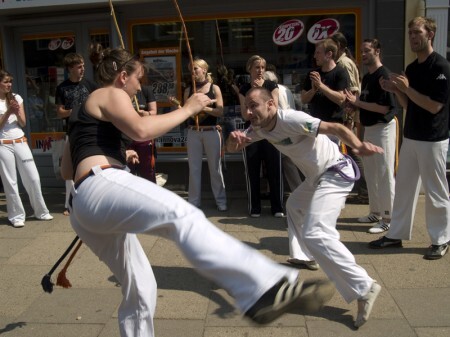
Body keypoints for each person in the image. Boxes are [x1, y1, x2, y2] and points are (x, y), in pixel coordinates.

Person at [60, 47, 334, 337]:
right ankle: (265, 287)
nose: (139, 87)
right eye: (138, 79)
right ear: (123, 76)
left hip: (84, 205)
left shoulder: (80, 112)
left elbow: (67, 170)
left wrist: (117, 151)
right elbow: (142, 130)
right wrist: (188, 108)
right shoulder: (111, 92)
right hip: (101, 186)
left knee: (141, 287)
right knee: (183, 214)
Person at [227, 87, 383, 328]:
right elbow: (231, 148)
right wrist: (232, 139)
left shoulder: (292, 119)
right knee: (294, 206)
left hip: (336, 172)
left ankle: (365, 287)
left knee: (316, 232)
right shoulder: (257, 128)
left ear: (270, 104)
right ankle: (306, 255)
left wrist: (358, 146)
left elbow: (337, 128)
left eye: (253, 105)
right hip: (316, 179)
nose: (248, 111)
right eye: (246, 107)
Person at [370, 17, 450, 260]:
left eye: (417, 32)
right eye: (410, 33)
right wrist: (396, 91)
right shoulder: (413, 68)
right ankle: (396, 234)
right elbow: (409, 104)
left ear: (430, 34)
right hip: (412, 136)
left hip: (433, 138)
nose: (413, 37)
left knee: (436, 191)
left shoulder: (442, 67)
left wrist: (406, 89)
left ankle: (441, 239)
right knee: (404, 188)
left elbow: (434, 106)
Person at [345, 38, 398, 234]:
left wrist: (357, 103)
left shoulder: (384, 75)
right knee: (371, 172)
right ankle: (375, 212)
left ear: (377, 51)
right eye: (361, 51)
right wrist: (353, 103)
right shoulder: (367, 77)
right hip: (370, 128)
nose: (363, 54)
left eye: (367, 50)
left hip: (383, 128)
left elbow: (384, 107)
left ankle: (389, 217)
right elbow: (366, 104)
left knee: (384, 173)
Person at [0, 70, 53, 228]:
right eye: (6, 81)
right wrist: (8, 111)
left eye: (10, 81)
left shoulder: (16, 97)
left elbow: (22, 123)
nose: (9, 84)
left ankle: (41, 211)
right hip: (3, 142)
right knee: (10, 181)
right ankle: (16, 216)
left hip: (19, 139)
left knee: (33, 177)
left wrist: (16, 111)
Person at [239, 55, 284, 217]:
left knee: (275, 168)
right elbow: (246, 114)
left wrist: (262, 91)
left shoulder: (272, 86)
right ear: (249, 69)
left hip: (271, 131)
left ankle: (277, 207)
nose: (260, 71)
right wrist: (254, 94)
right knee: (252, 169)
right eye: (257, 67)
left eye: (263, 67)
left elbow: (274, 110)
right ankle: (254, 207)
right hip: (252, 133)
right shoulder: (244, 89)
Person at [55, 52, 98, 216]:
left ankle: (90, 200)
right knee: (70, 168)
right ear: (70, 68)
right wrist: (74, 110)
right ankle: (69, 203)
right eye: (79, 66)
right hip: (72, 130)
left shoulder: (91, 84)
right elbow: (59, 112)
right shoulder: (62, 87)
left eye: (83, 66)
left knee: (89, 165)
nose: (82, 69)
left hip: (90, 130)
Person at [183, 58, 227, 211]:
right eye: (191, 69)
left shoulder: (214, 88)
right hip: (194, 132)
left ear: (203, 69)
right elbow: (185, 113)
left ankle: (221, 201)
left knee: (215, 167)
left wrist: (204, 108)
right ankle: (194, 202)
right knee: (194, 168)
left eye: (195, 68)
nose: (193, 72)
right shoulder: (189, 90)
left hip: (211, 131)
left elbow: (220, 111)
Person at [331, 32, 368, 204]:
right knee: (350, 151)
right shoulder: (342, 62)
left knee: (353, 150)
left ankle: (365, 190)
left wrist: (349, 118)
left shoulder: (344, 63)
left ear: (338, 46)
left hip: (348, 116)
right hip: (347, 115)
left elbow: (352, 91)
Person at [301, 38, 350, 147]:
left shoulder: (340, 73)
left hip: (332, 127)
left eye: (318, 53)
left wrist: (321, 86)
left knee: (332, 161)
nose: (314, 56)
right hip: (314, 126)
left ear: (329, 54)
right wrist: (313, 90)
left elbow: (341, 99)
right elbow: (303, 99)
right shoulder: (313, 74)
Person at [264, 70, 303, 192]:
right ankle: (295, 189)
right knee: (287, 162)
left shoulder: (271, 92)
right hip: (289, 129)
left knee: (279, 162)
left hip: (279, 130)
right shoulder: (286, 89)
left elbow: (277, 111)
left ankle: (278, 190)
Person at [127, 66, 158, 183]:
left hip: (144, 136)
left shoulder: (146, 90)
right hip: (128, 136)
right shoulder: (124, 93)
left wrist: (145, 113)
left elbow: (154, 113)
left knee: (147, 171)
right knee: (129, 171)